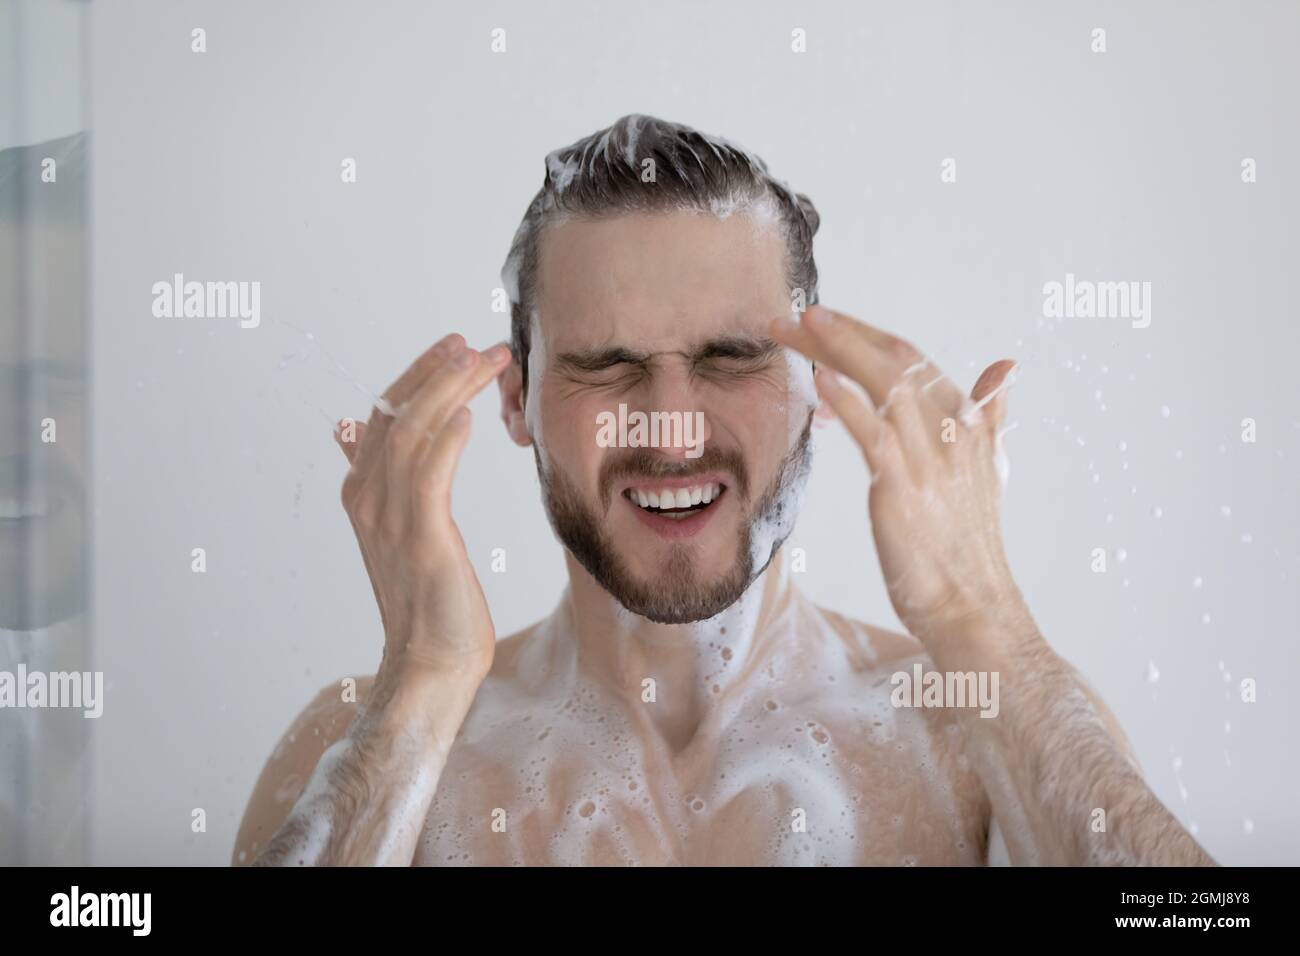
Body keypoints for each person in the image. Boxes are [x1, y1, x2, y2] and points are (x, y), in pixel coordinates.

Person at [235, 115, 1213, 866]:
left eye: (733, 356)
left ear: (819, 388)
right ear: (517, 398)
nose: (670, 422)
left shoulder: (978, 729)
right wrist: (422, 681)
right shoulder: (376, 739)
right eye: (606, 363)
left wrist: (985, 622)